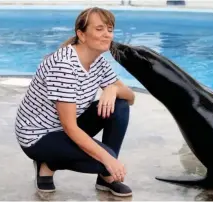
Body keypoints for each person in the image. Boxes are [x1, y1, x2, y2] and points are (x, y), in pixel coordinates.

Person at [14, 7, 136, 197]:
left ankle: (105, 179)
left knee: (119, 106)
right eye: (99, 29)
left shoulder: (99, 62)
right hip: (38, 135)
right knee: (103, 161)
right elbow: (70, 127)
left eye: (110, 29)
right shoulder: (64, 65)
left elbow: (131, 97)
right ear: (81, 34)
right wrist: (108, 160)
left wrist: (113, 89)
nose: (107, 35)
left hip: (65, 128)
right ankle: (46, 163)